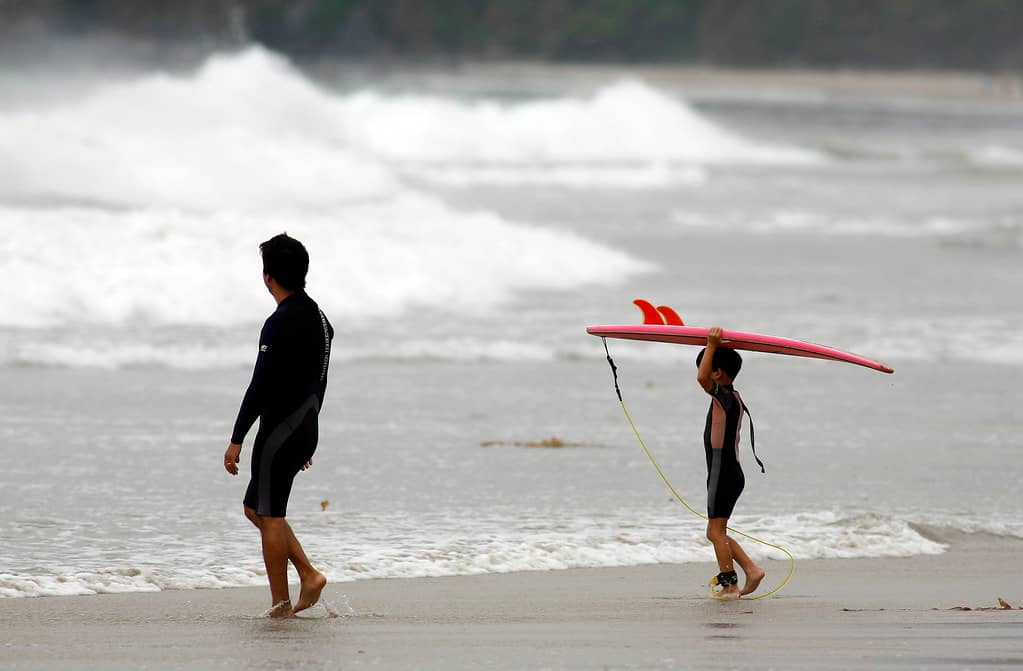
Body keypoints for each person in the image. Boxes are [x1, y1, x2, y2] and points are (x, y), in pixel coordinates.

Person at [223, 233, 334, 617]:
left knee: (269, 514)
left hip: (282, 431)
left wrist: (237, 438)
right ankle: (308, 574)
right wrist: (303, 436)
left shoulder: (279, 323)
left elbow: (261, 385)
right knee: (256, 509)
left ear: (268, 277)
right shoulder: (320, 318)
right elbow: (316, 378)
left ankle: (280, 606)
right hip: (303, 427)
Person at [696, 326, 765, 599]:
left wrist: (711, 346)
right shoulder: (731, 397)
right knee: (717, 531)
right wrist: (711, 349)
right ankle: (751, 569)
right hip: (728, 472)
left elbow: (702, 379)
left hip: (722, 472)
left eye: (707, 365)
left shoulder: (723, 396)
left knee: (715, 532)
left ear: (717, 373)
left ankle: (729, 584)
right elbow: (705, 376)